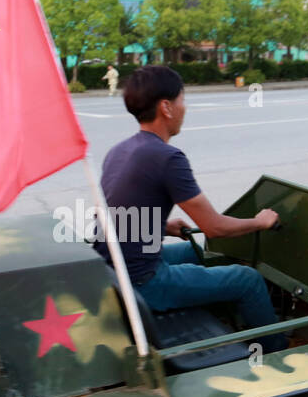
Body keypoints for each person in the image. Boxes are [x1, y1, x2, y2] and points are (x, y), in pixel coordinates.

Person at [92, 65, 286, 352]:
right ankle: (279, 354)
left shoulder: (120, 149)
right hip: (144, 281)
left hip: (116, 268)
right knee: (248, 279)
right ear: (166, 107)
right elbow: (214, 227)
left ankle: (225, 314)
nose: (185, 108)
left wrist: (163, 226)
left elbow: (116, 212)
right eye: (183, 100)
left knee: (197, 252)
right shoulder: (168, 157)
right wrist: (260, 222)